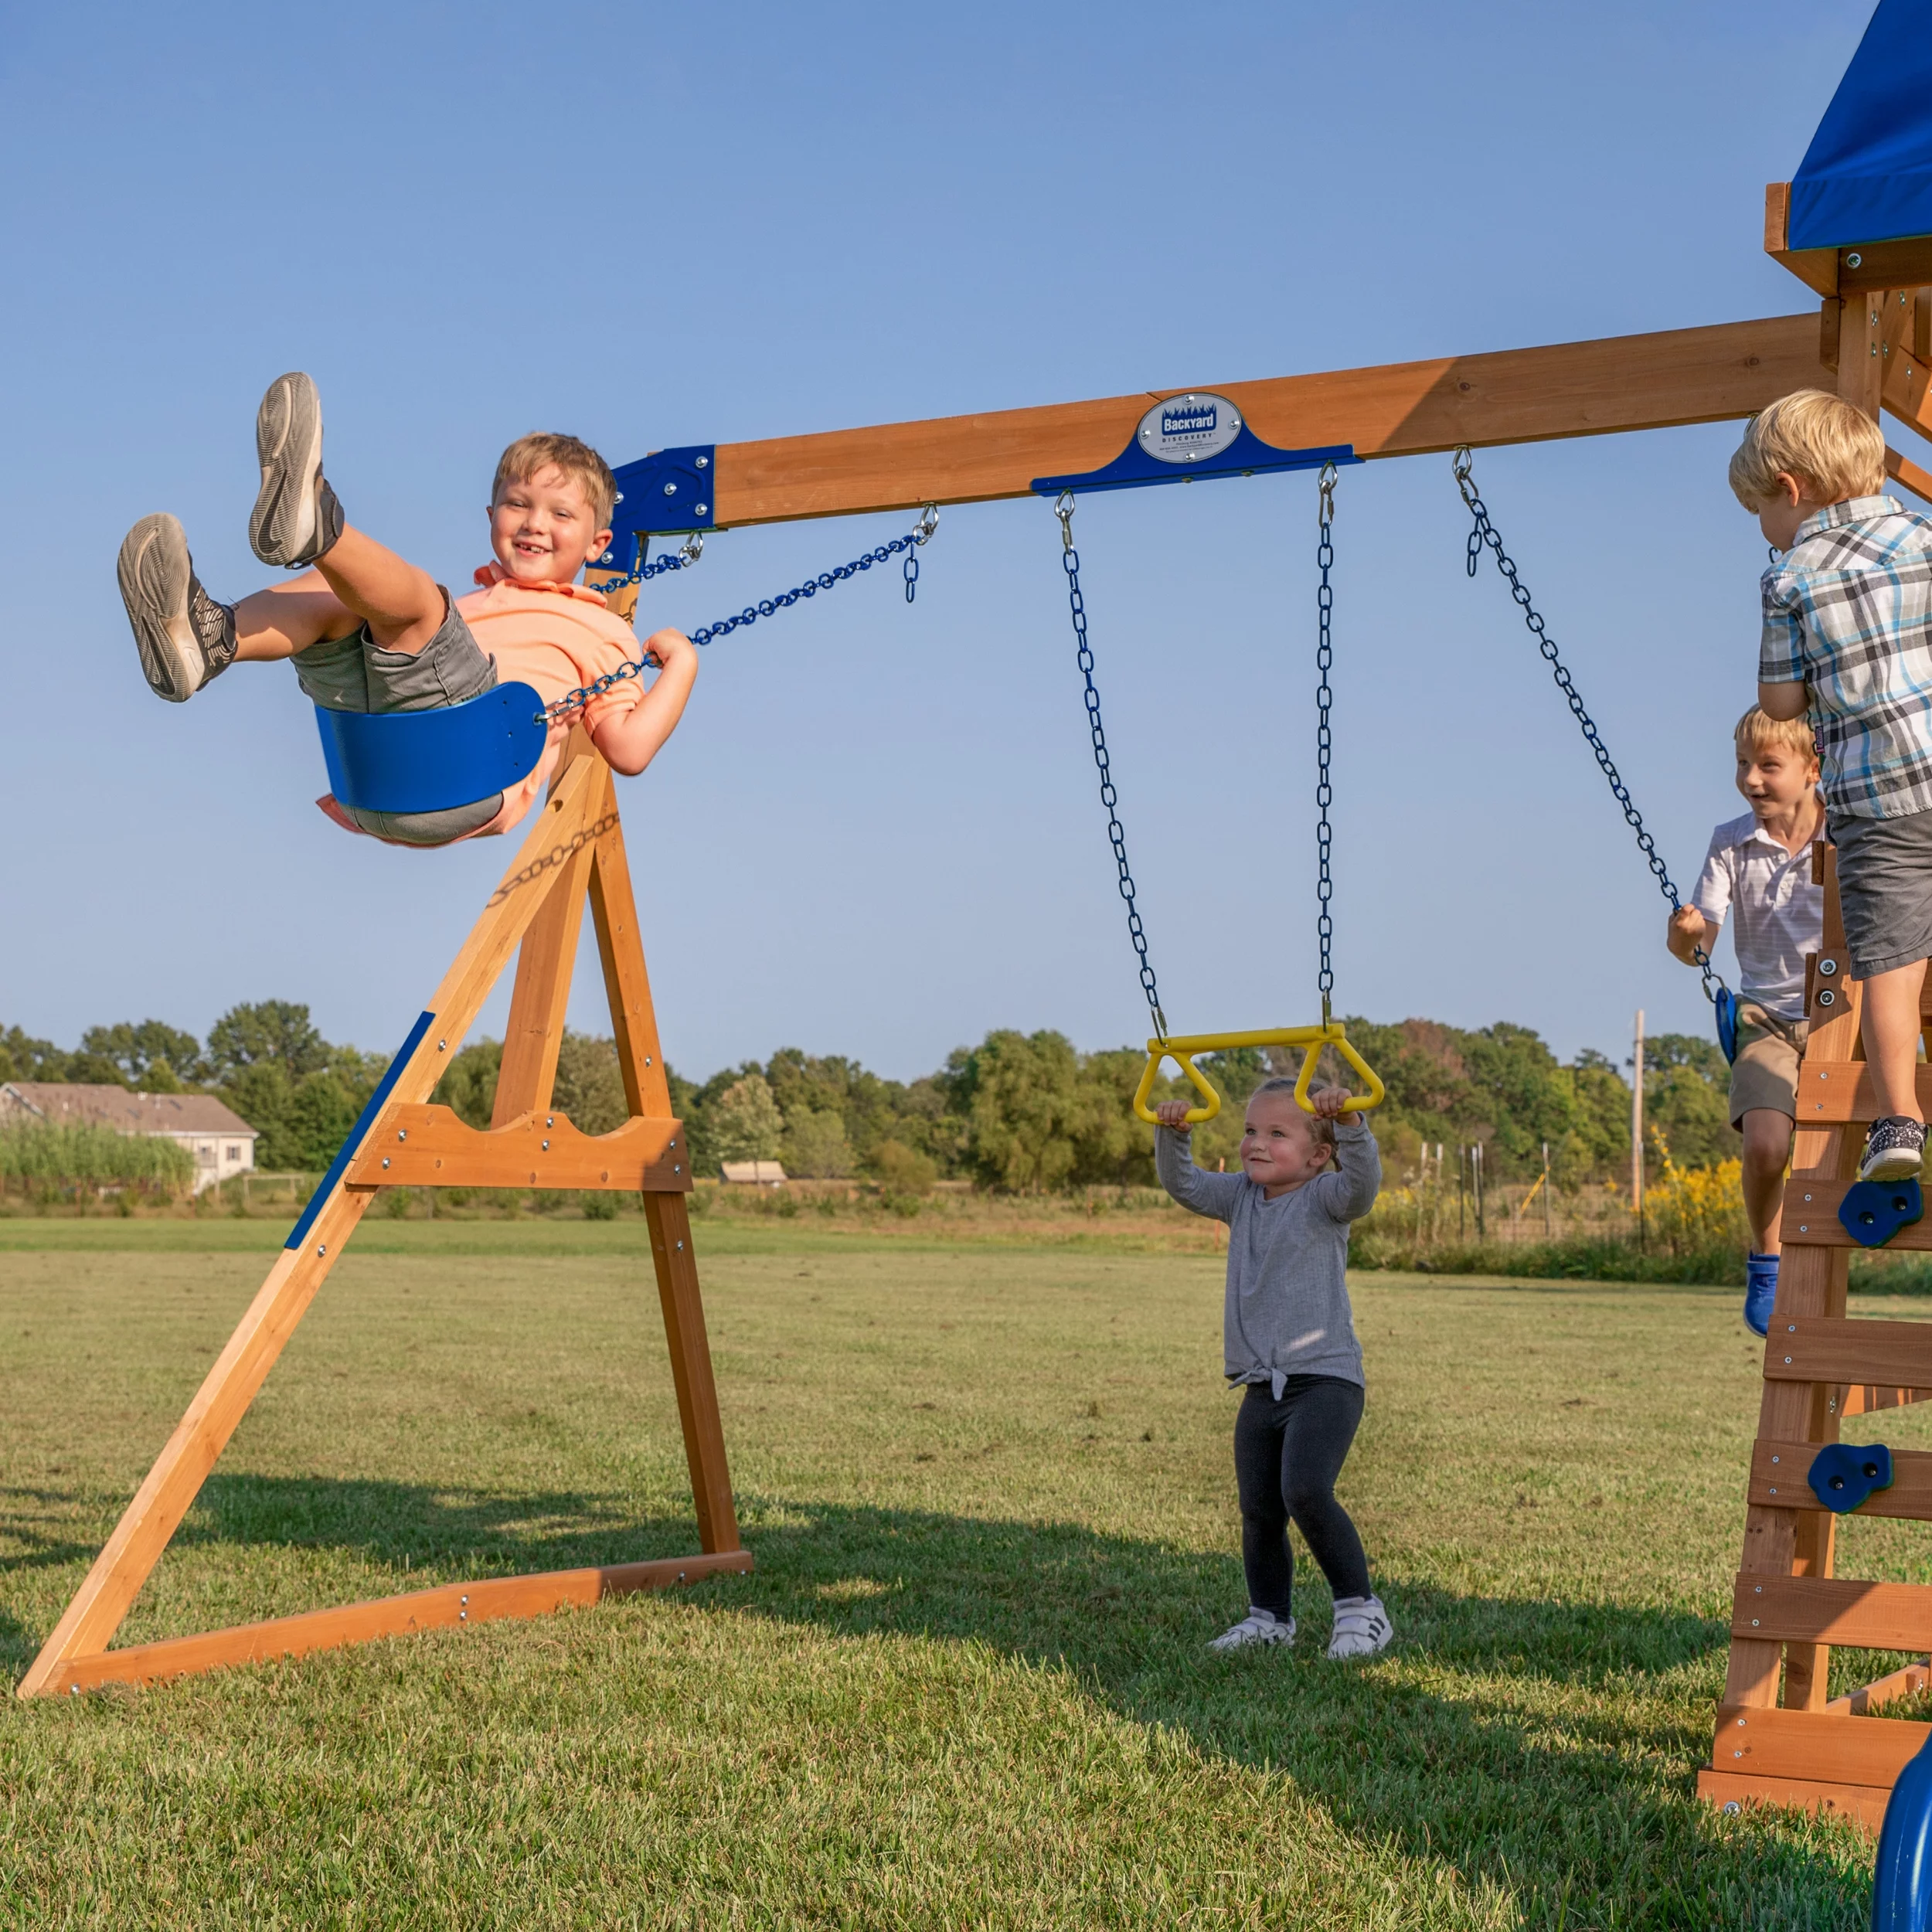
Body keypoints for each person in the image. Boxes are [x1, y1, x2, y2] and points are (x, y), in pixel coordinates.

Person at [115, 372, 696, 846]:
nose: (534, 523)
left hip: (468, 770)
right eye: (517, 504)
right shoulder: (474, 606)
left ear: (598, 546)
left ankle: (318, 523)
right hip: (374, 774)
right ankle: (211, 641)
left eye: (561, 514)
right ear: (490, 514)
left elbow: (628, 749)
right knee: (335, 596)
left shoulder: (598, 626)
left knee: (420, 604)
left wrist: (681, 668)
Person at [1734, 387, 1932, 1184]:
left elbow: (1779, 703)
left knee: (1887, 962)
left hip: (1877, 803)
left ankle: (1897, 1121)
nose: (1761, 530)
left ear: (1790, 488)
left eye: (1758, 509)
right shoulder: (1924, 537)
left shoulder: (1788, 579)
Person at [1152, 1077, 1390, 1660]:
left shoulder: (1325, 1197)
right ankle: (1269, 1618)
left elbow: (1363, 1189)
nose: (1256, 1143)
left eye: (1276, 1133)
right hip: (1261, 1384)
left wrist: (1353, 1128)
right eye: (1250, 1130)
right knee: (1259, 1508)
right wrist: (1173, 1134)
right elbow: (1182, 1183)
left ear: (1317, 1154)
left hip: (1326, 1379)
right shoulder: (1238, 1197)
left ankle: (1361, 1611)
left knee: (1305, 1489)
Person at [1667, 707, 1824, 1337]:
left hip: (1844, 1012)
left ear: (1813, 770)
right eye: (1742, 764)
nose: (1751, 780)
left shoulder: (1847, 831)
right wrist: (1683, 935)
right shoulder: (1731, 842)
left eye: (1768, 766)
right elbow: (1696, 942)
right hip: (1766, 1017)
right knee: (1765, 1145)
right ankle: (1767, 1259)